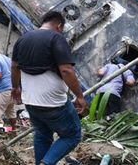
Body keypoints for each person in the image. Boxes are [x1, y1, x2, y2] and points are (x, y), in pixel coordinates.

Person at [11, 10, 86, 165]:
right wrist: (79, 96)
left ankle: (42, 162)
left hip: (30, 100)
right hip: (53, 102)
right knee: (72, 135)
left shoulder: (23, 38)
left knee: (42, 133)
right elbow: (66, 70)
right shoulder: (57, 38)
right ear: (59, 26)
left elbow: (14, 67)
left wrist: (16, 88)